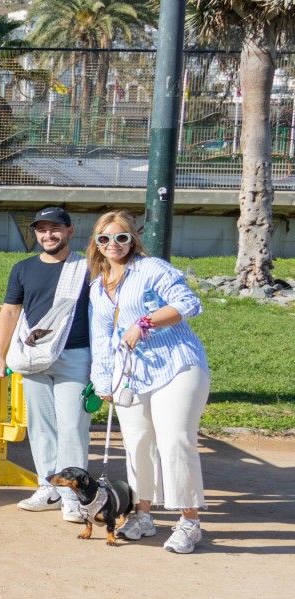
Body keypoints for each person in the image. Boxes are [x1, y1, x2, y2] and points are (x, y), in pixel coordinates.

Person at [86, 212, 211, 554]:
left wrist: (144, 324)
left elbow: (188, 303)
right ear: (96, 244)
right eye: (105, 239)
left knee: (174, 440)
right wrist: (102, 379)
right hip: (131, 374)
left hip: (177, 365)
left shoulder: (152, 268)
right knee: (138, 442)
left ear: (133, 239)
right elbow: (101, 338)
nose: (113, 245)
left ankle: (189, 521)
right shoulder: (98, 287)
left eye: (121, 237)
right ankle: (143, 514)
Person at [0, 205, 93, 519]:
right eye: (42, 229)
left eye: (55, 228)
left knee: (73, 426)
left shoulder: (87, 268)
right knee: (41, 426)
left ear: (69, 231)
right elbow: (9, 311)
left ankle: (72, 494)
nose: (48, 235)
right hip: (34, 356)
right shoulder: (22, 268)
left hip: (75, 354)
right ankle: (48, 487)